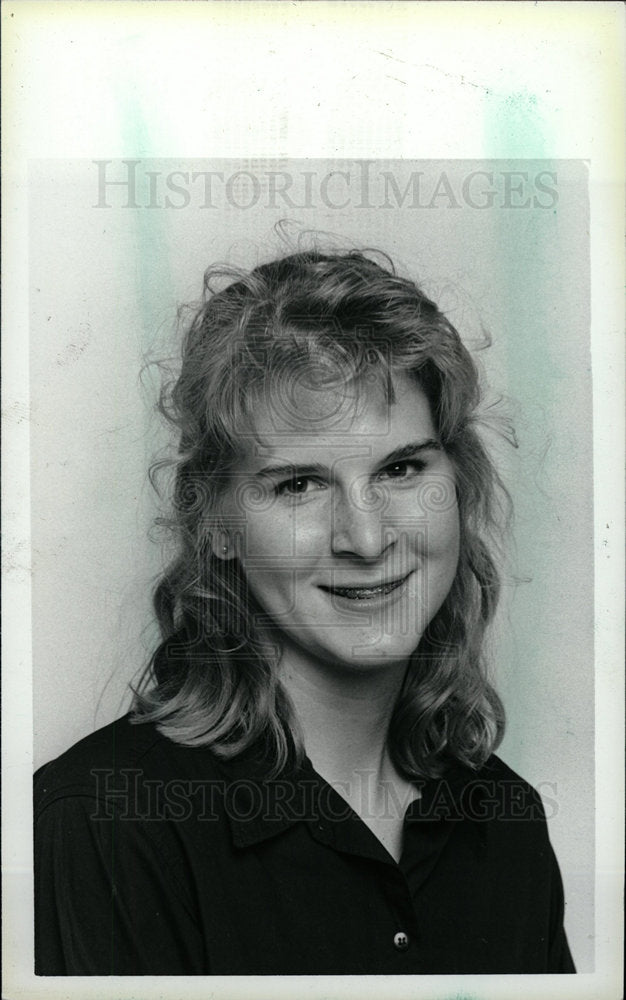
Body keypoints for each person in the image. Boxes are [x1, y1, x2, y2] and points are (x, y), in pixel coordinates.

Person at [34, 249, 575, 975]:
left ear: (460, 485)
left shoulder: (505, 823)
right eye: (298, 486)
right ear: (216, 523)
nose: (367, 537)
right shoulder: (104, 818)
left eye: (401, 468)